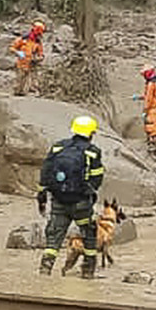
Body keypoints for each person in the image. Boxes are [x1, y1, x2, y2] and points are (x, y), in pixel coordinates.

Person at [38, 115, 106, 279]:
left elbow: (46, 172)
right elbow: (97, 178)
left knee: (54, 237)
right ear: (90, 133)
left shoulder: (58, 147)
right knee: (89, 235)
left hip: (58, 200)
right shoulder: (92, 152)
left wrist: (42, 194)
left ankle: (44, 271)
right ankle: (88, 272)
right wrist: (90, 193)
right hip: (81, 202)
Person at [11, 21, 45, 95]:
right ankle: (18, 91)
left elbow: (41, 54)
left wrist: (38, 58)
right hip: (21, 63)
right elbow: (12, 48)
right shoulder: (23, 39)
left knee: (33, 78)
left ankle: (32, 90)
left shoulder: (38, 42)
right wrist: (18, 52)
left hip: (31, 64)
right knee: (19, 80)